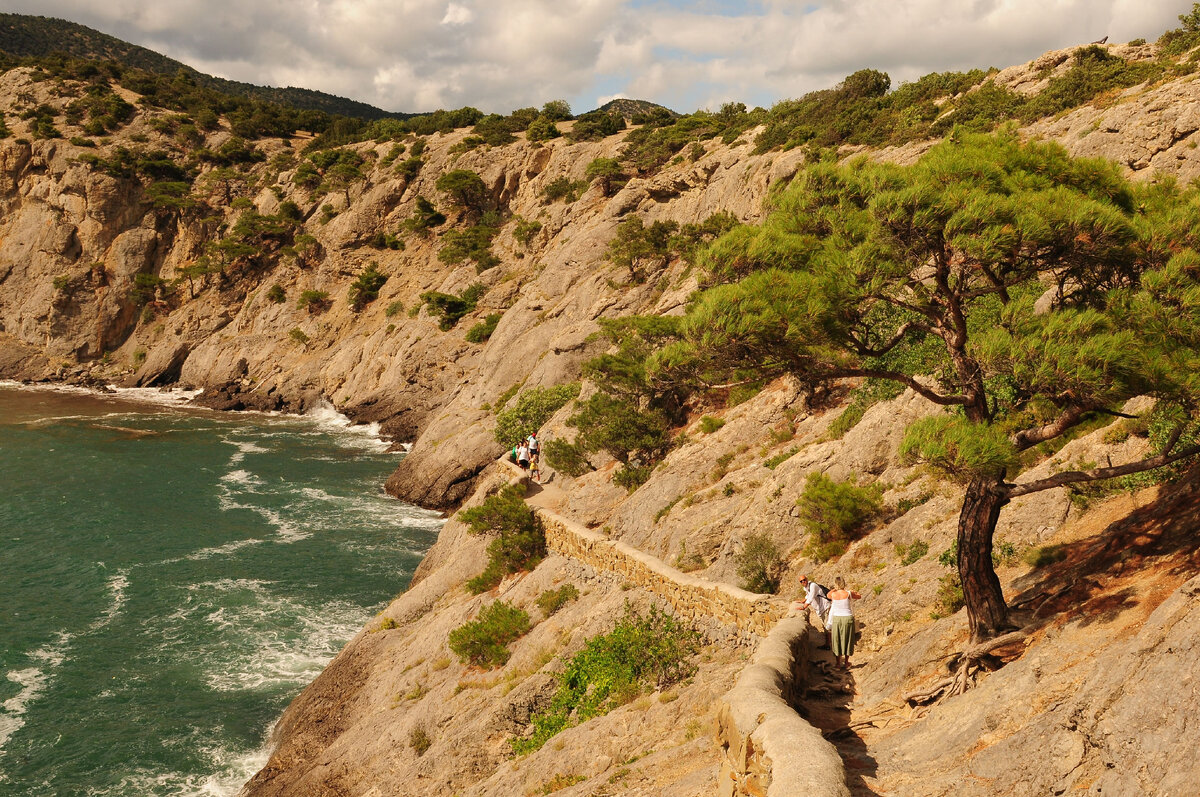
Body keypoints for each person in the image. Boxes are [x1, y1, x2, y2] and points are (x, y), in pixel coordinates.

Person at [827, 576, 861, 669]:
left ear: (835, 584)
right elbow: (859, 596)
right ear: (844, 583)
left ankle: (838, 664)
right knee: (848, 639)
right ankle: (846, 663)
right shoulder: (848, 593)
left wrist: (835, 588)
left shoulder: (833, 595)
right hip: (847, 618)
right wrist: (853, 591)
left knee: (837, 640)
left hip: (837, 619)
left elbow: (828, 595)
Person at [791, 575, 832, 649]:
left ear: (807, 579)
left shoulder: (813, 585)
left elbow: (811, 597)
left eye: (804, 580)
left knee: (828, 627)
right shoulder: (806, 588)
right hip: (820, 609)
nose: (803, 581)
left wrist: (804, 607)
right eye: (801, 581)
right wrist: (802, 601)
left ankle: (829, 645)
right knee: (825, 626)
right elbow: (808, 595)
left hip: (825, 607)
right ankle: (828, 644)